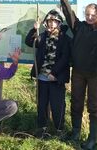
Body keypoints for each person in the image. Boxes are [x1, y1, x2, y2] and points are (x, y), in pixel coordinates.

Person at [55, 0, 97, 149]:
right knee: (76, 102)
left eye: (92, 15)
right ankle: (75, 132)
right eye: (87, 14)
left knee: (94, 106)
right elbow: (68, 12)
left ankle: (92, 138)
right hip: (78, 72)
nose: (89, 17)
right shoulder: (78, 26)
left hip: (94, 74)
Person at [24, 9, 71, 138]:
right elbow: (29, 41)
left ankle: (60, 129)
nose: (51, 24)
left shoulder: (64, 38)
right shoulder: (42, 36)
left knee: (58, 105)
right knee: (42, 104)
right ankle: (42, 128)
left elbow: (65, 58)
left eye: (54, 21)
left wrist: (54, 73)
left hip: (56, 78)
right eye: (49, 21)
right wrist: (34, 30)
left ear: (59, 23)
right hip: (42, 78)